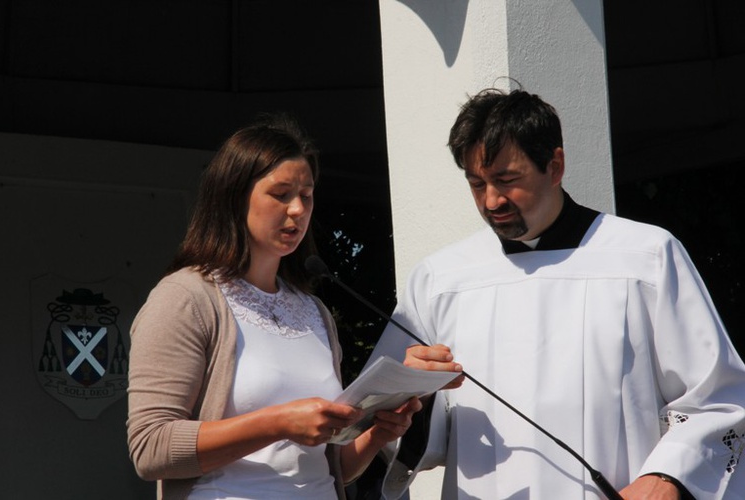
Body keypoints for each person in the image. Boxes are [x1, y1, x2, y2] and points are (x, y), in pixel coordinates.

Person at [367, 88, 745, 499]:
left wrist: (666, 478)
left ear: (555, 165)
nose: (492, 200)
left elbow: (719, 398)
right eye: (477, 183)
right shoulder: (440, 279)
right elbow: (383, 429)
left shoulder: (645, 258)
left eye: (507, 180)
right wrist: (412, 398)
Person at [126, 114, 422, 500]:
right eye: (281, 194)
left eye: (307, 195)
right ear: (234, 197)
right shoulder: (186, 298)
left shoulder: (313, 312)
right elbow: (150, 449)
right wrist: (279, 422)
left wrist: (378, 432)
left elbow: (331, 469)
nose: (298, 209)